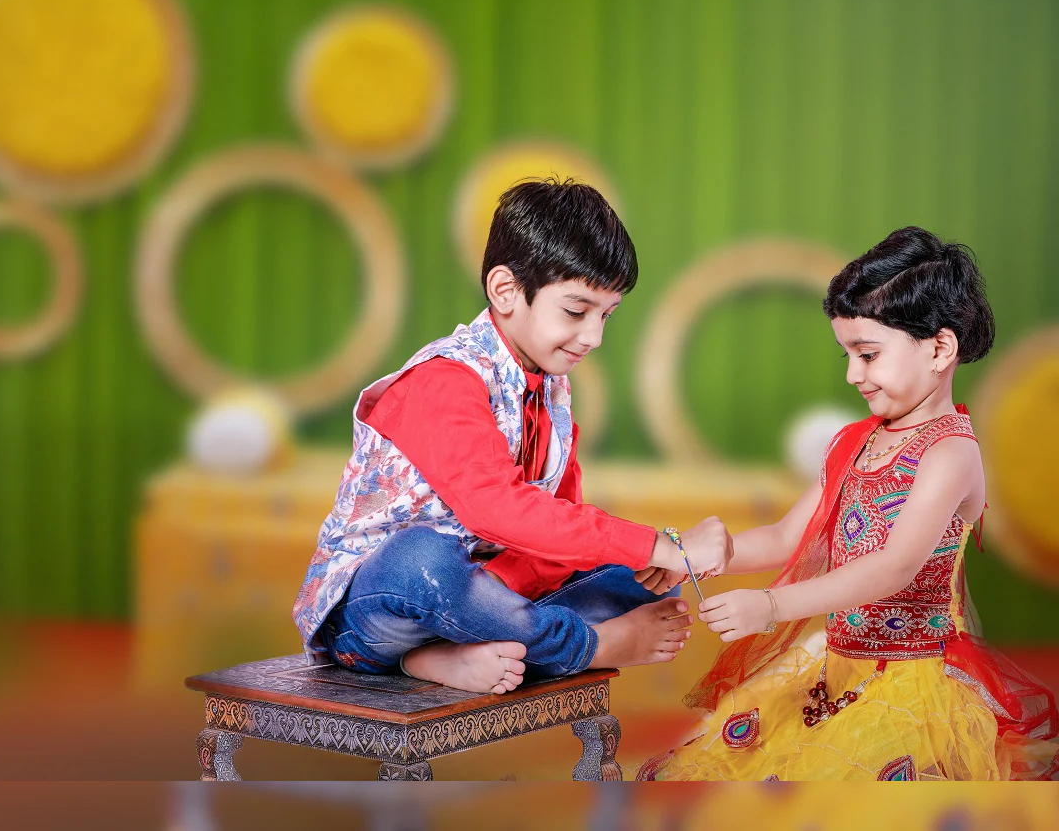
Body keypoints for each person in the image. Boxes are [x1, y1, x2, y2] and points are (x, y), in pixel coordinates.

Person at [637, 226, 1057, 780]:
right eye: (848, 354)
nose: (852, 374)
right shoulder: (856, 441)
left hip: (911, 683)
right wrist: (686, 554)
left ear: (939, 348)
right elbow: (787, 537)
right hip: (831, 666)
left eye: (868, 354)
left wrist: (770, 607)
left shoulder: (951, 452)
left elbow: (893, 566)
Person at [292, 177, 731, 694]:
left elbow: (557, 528)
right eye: (576, 311)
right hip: (383, 605)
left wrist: (658, 557)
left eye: (606, 315)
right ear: (505, 291)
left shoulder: (551, 390)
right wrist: (659, 544)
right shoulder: (445, 379)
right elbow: (496, 510)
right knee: (424, 561)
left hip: (480, 593)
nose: (593, 337)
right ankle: (584, 646)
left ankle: (451, 652)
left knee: (635, 582)